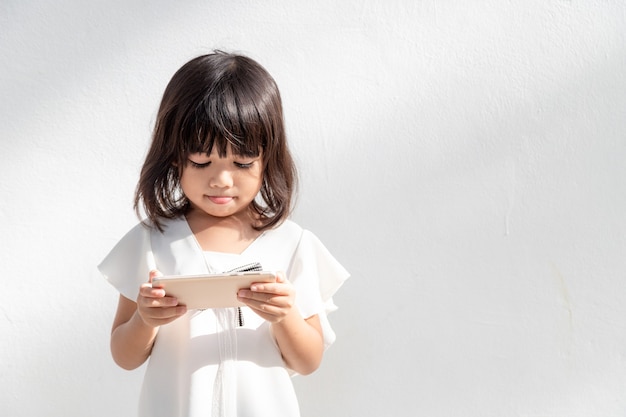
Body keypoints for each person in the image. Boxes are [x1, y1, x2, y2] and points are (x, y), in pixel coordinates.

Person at [98, 51, 349, 417]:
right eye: (201, 162)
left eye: (243, 163)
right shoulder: (152, 240)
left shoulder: (290, 243)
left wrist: (285, 315)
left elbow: (309, 361)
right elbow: (123, 355)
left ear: (268, 159)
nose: (221, 180)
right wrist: (145, 321)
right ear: (174, 157)